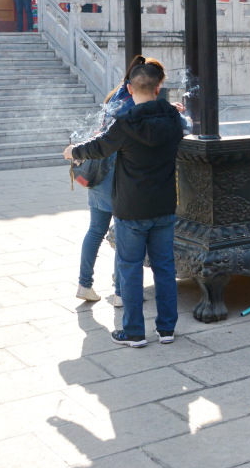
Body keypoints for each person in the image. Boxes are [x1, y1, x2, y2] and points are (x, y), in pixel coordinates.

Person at [64, 57, 185, 348]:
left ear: (129, 89)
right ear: (159, 88)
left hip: (131, 209)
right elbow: (185, 123)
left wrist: (72, 151)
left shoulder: (125, 123)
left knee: (130, 267)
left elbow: (96, 147)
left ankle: (133, 332)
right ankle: (167, 329)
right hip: (164, 205)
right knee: (165, 267)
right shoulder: (174, 120)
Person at [74, 55, 144, 307]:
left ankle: (84, 284)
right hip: (119, 173)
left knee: (95, 230)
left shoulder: (114, 96)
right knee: (124, 233)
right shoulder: (135, 103)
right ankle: (120, 291)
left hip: (99, 171)